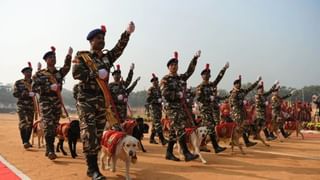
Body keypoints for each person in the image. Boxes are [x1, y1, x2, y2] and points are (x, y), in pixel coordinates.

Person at [72, 22, 135, 180]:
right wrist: (95, 75)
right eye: (98, 38)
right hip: (86, 99)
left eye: (103, 38)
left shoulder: (107, 57)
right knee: (89, 133)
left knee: (99, 134)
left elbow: (119, 49)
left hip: (101, 100)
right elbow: (76, 73)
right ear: (91, 41)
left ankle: (92, 167)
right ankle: (92, 169)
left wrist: (127, 33)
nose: (101, 40)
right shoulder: (82, 56)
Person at [32, 46, 73, 160]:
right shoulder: (40, 74)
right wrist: (48, 87)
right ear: (46, 60)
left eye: (54, 57)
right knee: (48, 125)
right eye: (50, 57)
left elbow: (67, 67)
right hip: (45, 102)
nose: (53, 59)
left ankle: (48, 148)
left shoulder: (59, 73)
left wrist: (69, 56)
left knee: (54, 126)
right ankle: (50, 149)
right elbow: (34, 88)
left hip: (56, 102)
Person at [161, 50, 201, 162]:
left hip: (180, 107)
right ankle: (186, 152)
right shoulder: (165, 79)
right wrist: (176, 95)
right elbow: (164, 93)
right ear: (168, 67)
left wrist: (194, 59)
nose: (174, 67)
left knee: (174, 130)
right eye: (172, 65)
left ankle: (169, 152)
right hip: (171, 107)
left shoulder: (180, 78)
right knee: (180, 128)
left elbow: (190, 71)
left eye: (176, 65)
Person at [196, 63, 229, 153]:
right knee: (210, 127)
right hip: (204, 109)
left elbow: (218, 78)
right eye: (205, 74)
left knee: (205, 128)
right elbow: (199, 98)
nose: (207, 75)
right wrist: (208, 98)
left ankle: (201, 144)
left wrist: (224, 69)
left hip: (210, 109)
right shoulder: (200, 86)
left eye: (208, 74)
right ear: (202, 76)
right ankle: (216, 147)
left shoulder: (211, 85)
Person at [229, 75, 261, 147]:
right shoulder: (233, 93)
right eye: (237, 84)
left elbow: (250, 88)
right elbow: (233, 102)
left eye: (239, 84)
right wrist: (240, 103)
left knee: (239, 127)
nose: (239, 85)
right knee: (240, 127)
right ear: (234, 85)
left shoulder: (242, 91)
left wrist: (257, 81)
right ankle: (245, 142)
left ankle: (234, 141)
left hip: (241, 112)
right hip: (236, 113)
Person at [13, 65, 36, 149]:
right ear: (23, 73)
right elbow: (15, 94)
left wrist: (35, 94)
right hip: (22, 106)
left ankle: (27, 141)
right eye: (27, 72)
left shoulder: (34, 83)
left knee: (30, 124)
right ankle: (25, 141)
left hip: (31, 106)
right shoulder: (19, 83)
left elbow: (39, 91)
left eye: (30, 72)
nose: (29, 73)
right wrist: (26, 94)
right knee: (23, 123)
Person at [146, 73, 167, 145]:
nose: (155, 82)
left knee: (155, 124)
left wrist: (162, 100)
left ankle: (151, 139)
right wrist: (156, 100)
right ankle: (162, 139)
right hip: (153, 108)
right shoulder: (150, 89)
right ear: (152, 82)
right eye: (153, 81)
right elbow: (148, 100)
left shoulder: (159, 89)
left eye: (156, 81)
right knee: (158, 123)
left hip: (159, 108)